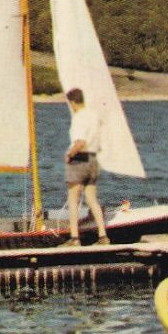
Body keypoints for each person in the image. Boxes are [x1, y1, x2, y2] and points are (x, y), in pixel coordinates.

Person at [63, 87, 109, 246]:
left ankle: (75, 238)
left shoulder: (79, 118)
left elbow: (80, 142)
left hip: (80, 159)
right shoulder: (94, 116)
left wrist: (69, 154)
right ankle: (103, 236)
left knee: (73, 199)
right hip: (93, 159)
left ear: (73, 102)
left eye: (70, 104)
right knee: (91, 199)